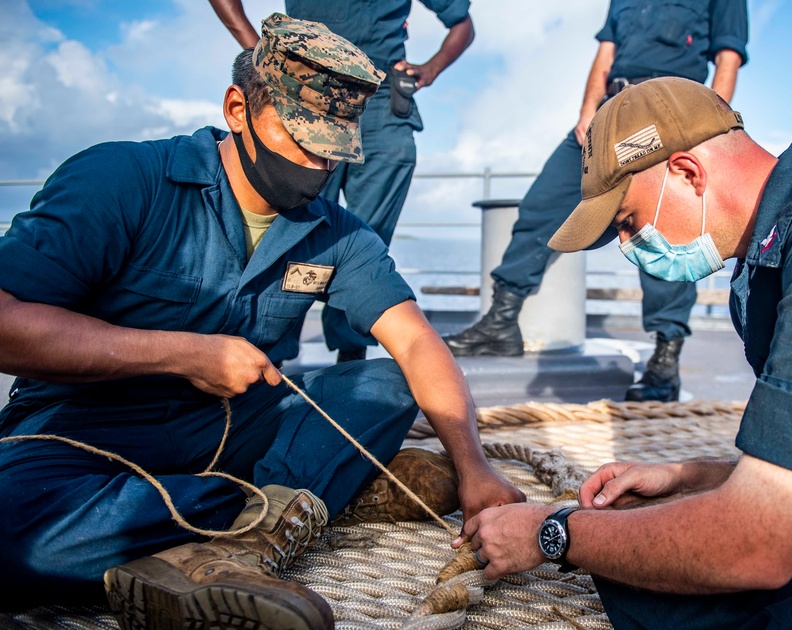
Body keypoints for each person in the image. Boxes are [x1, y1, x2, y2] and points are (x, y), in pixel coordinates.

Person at [0, 14, 522, 628]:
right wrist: (181, 354)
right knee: (13, 534)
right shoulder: (119, 179)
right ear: (237, 108)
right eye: (301, 141)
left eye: (333, 152)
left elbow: (413, 340)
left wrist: (474, 468)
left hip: (232, 426)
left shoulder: (336, 233)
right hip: (83, 432)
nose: (317, 167)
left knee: (384, 384)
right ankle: (292, 505)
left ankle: (241, 525)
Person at [453, 78, 792, 629]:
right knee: (646, 564)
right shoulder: (775, 255)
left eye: (627, 222)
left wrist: (554, 532)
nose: (627, 248)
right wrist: (694, 477)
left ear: (688, 173)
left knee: (684, 555)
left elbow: (758, 543)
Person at [444, 0, 747, 403]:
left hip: (668, 110)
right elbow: (606, 51)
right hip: (610, 109)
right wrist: (588, 108)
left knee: (661, 226)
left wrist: (706, 123)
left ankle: (664, 357)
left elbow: (728, 57)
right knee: (542, 207)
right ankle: (500, 323)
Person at [211, 0, 475, 362]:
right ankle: (268, 353)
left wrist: (430, 69)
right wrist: (258, 49)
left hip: (382, 98)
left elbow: (462, 23)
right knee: (290, 222)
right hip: (306, 91)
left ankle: (352, 357)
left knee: (366, 235)